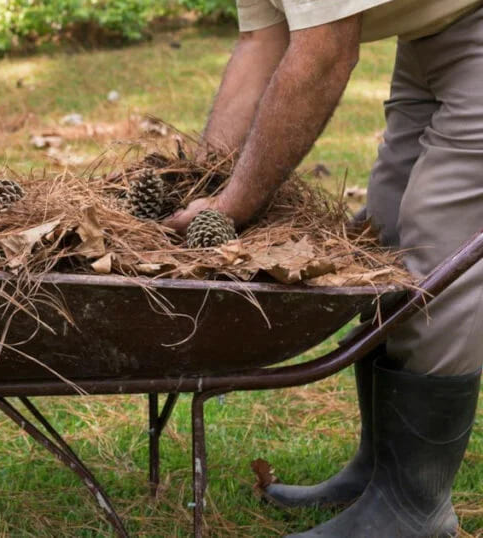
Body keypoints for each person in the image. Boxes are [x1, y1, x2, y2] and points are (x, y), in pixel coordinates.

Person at [162, 1, 483, 536]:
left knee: (436, 249)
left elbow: (324, 55)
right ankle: (378, 470)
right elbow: (261, 44)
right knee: (382, 234)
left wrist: (231, 206)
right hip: (434, 27)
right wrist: (202, 181)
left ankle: (413, 506)